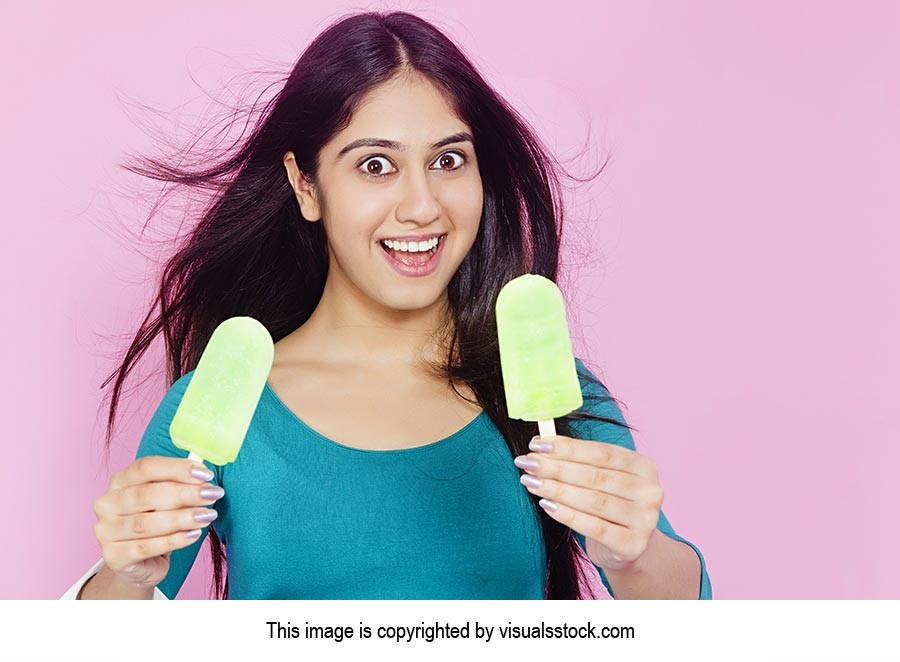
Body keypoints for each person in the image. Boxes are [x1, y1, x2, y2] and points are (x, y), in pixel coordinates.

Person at [65, 10, 711, 600]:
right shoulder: (220, 408)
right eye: (376, 166)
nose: (422, 206)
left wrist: (637, 556)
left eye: (449, 160)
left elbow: (690, 612)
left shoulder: (557, 401)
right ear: (305, 184)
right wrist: (125, 574)